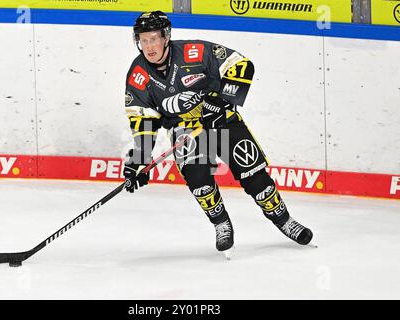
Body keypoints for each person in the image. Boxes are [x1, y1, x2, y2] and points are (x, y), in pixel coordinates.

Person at [122, 11, 313, 257]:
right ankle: (221, 223)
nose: (149, 46)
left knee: (254, 175)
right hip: (186, 130)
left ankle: (283, 220)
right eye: (143, 40)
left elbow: (242, 65)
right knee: (198, 180)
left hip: (223, 120)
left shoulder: (195, 52)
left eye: (153, 39)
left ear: (166, 37)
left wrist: (221, 99)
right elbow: (143, 118)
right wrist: (140, 158)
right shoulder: (138, 74)